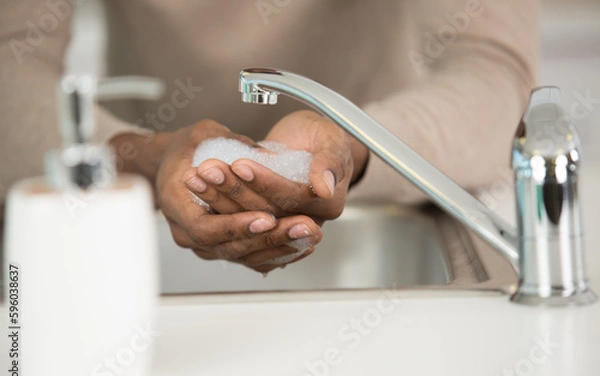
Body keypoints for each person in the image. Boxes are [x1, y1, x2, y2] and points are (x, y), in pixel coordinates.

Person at [0, 0, 538, 273]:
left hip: (389, 201)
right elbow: (11, 57)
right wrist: (145, 155)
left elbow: (491, 67)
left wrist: (352, 143)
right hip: (138, 210)